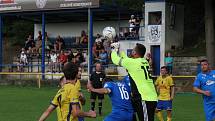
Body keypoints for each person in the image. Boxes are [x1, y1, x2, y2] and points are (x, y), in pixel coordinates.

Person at [111, 42, 157, 121]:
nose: (132, 51)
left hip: (145, 98)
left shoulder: (133, 62)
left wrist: (113, 50)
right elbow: (126, 59)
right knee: (130, 114)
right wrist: (120, 49)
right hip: (147, 96)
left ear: (135, 53)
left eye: (133, 50)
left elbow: (115, 60)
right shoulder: (144, 61)